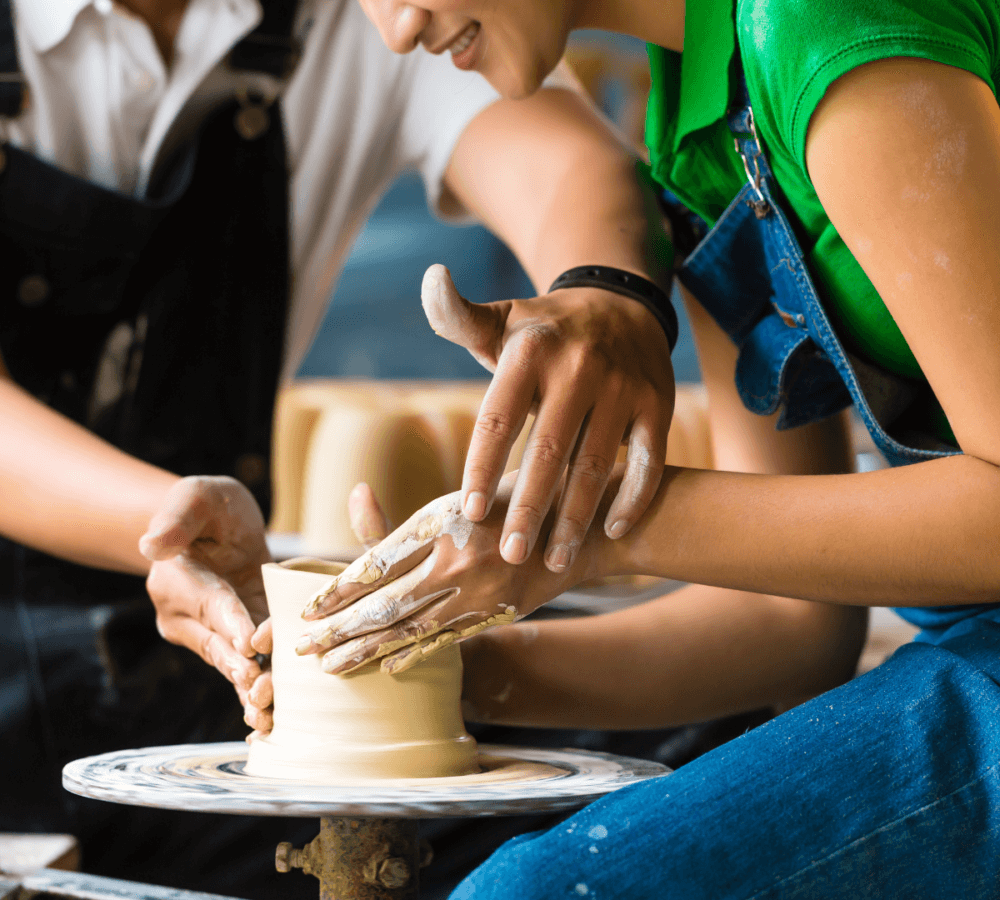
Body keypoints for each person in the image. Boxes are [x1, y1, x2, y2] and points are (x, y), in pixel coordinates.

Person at [295, 0, 1000, 895]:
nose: (396, 29)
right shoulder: (691, 119)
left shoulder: (823, 23)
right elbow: (794, 624)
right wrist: (442, 668)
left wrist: (602, 525)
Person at [0, 0, 681, 894]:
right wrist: (166, 521)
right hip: (44, 653)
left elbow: (571, 168)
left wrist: (601, 297)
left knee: (687, 772)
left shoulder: (376, 10)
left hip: (221, 652)